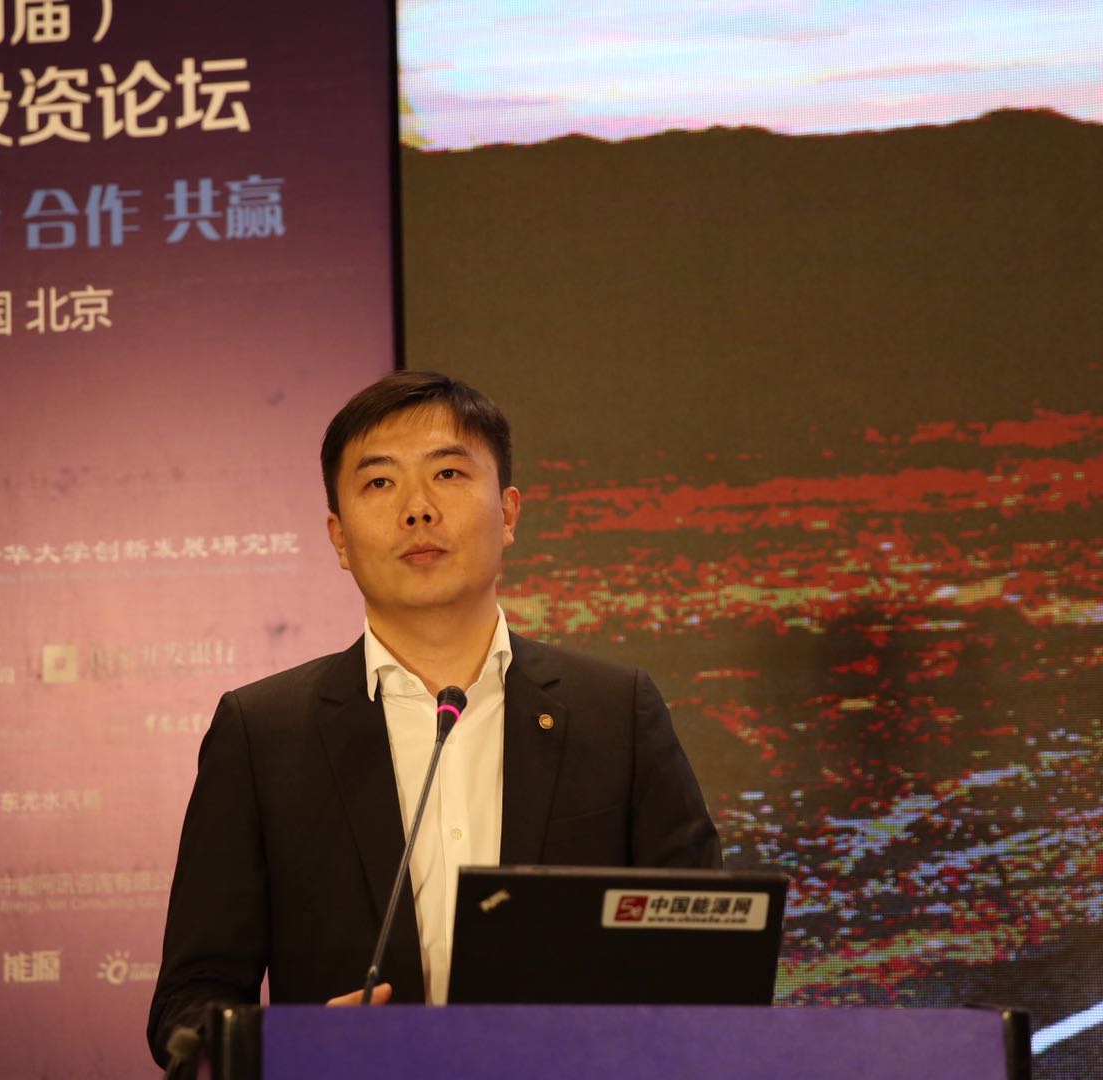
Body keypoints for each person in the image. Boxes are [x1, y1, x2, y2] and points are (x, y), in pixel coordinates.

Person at [146, 371, 721, 1067]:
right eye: (379, 482)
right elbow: (188, 1005)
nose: (417, 509)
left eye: (448, 473)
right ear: (338, 538)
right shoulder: (263, 734)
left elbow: (709, 964)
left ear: (508, 513)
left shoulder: (615, 713)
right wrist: (292, 1050)